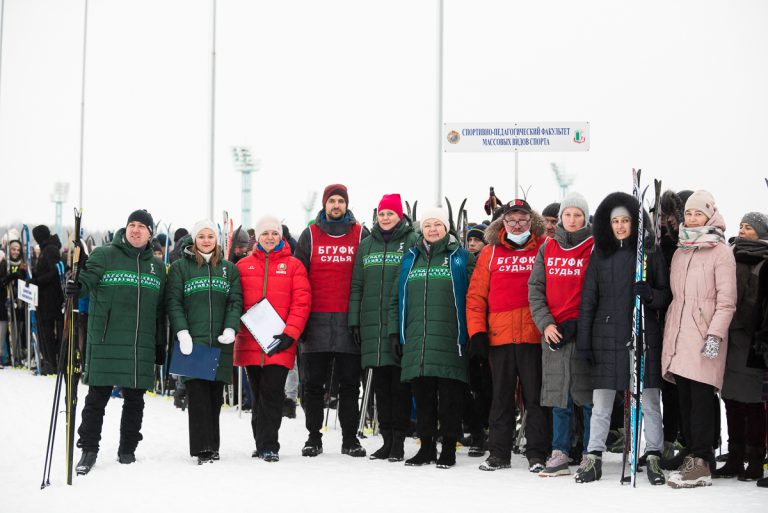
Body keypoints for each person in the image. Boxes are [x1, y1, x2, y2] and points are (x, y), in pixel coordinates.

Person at [574, 192, 671, 484]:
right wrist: (584, 340)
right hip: (606, 338)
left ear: (635, 223)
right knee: (602, 402)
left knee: (650, 401)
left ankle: (653, 455)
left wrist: (650, 295)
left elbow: (666, 296)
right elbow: (588, 300)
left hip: (643, 337)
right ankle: (594, 456)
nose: (619, 226)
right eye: (615, 221)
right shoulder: (599, 255)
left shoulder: (650, 254)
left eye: (625, 221)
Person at [67, 209, 167, 475]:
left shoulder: (158, 267)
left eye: (141, 226)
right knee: (96, 399)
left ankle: (127, 450)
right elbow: (87, 280)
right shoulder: (105, 254)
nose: (135, 230)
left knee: (135, 401)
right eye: (131, 225)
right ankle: (88, 450)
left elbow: (160, 310)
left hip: (139, 343)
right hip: (106, 339)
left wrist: (159, 343)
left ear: (150, 233)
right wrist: (76, 284)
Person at [465, 199, 549, 472]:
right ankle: (499, 453)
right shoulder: (490, 253)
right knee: (501, 398)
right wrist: (477, 332)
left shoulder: (544, 248)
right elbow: (476, 297)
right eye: (511, 220)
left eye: (522, 220)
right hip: (499, 337)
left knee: (535, 399)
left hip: (534, 335)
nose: (517, 225)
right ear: (503, 223)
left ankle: (537, 453)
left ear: (531, 222)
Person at [661, 190, 737, 489]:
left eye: (698, 214)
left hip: (705, 336)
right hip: (679, 335)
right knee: (685, 400)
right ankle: (692, 451)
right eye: (689, 214)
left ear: (710, 216)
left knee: (702, 401)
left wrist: (715, 335)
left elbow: (726, 301)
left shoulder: (721, 252)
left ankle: (702, 461)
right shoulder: (681, 250)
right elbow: (678, 298)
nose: (692, 218)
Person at [388, 206, 474, 468]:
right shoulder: (410, 258)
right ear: (421, 229)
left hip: (450, 339)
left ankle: (448, 448)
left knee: (450, 399)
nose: (432, 229)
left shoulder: (461, 258)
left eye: (437, 224)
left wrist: (473, 332)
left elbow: (474, 298)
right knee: (423, 397)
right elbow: (395, 299)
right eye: (427, 225)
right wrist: (395, 332)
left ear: (446, 228)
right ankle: (426, 447)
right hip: (417, 340)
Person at [294, 184, 369, 457]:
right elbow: (299, 278)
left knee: (349, 385)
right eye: (332, 201)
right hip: (316, 322)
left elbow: (368, 277)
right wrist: (301, 320)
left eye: (340, 201)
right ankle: (313, 437)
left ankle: (350, 439)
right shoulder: (310, 235)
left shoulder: (360, 234)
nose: (336, 205)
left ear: (346, 205)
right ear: (325, 204)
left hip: (350, 322)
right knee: (313, 385)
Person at [528, 192, 594, 477]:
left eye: (578, 215)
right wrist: (546, 324)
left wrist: (582, 324)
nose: (572, 219)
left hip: (583, 332)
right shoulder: (548, 248)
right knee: (559, 396)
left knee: (587, 397)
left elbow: (599, 291)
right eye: (568, 215)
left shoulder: (594, 247)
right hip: (554, 333)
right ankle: (560, 452)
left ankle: (591, 451)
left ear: (585, 218)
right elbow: (535, 289)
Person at [234, 215, 311, 462]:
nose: (270, 237)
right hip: (251, 341)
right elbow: (235, 302)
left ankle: (269, 445)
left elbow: (301, 302)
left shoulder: (294, 266)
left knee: (272, 393)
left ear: (281, 236)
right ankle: (261, 442)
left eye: (274, 233)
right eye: (265, 233)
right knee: (257, 395)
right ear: (258, 237)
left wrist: (290, 333)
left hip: (279, 341)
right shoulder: (243, 266)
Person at [166, 220, 242, 465]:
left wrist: (231, 327)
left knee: (214, 397)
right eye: (201, 236)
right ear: (194, 239)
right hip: (193, 340)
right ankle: (202, 448)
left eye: (210, 236)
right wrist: (182, 332)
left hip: (220, 341)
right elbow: (174, 302)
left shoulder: (228, 269)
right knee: (198, 395)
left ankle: (213, 445)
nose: (206, 240)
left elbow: (235, 301)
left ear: (216, 239)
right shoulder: (180, 268)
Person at [349, 193, 418, 462]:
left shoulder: (411, 241)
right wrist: (354, 320)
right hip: (371, 326)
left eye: (391, 213)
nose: (386, 218)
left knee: (399, 387)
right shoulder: (366, 245)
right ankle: (386, 440)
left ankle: (398, 441)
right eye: (382, 214)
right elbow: (357, 285)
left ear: (399, 216)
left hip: (399, 325)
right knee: (379, 387)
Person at [714, 212, 768, 480]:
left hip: (752, 339)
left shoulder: (765, 261)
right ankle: (735, 456)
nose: (743, 230)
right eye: (742, 226)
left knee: (753, 402)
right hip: (729, 336)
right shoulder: (729, 255)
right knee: (731, 399)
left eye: (750, 227)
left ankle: (755, 458)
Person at [31, 225, 65, 375]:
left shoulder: (50, 250)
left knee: (48, 332)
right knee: (46, 332)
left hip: (50, 299)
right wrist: (35, 276)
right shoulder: (48, 249)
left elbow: (55, 272)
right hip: (46, 298)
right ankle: (50, 362)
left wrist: (38, 281)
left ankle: (52, 363)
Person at [0, 233, 26, 367]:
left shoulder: (23, 264)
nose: (16, 252)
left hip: (19, 302)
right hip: (5, 302)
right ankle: (4, 356)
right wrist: (8, 278)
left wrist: (19, 276)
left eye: (18, 250)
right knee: (3, 330)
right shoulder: (4, 263)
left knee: (18, 329)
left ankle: (17, 355)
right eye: (13, 249)